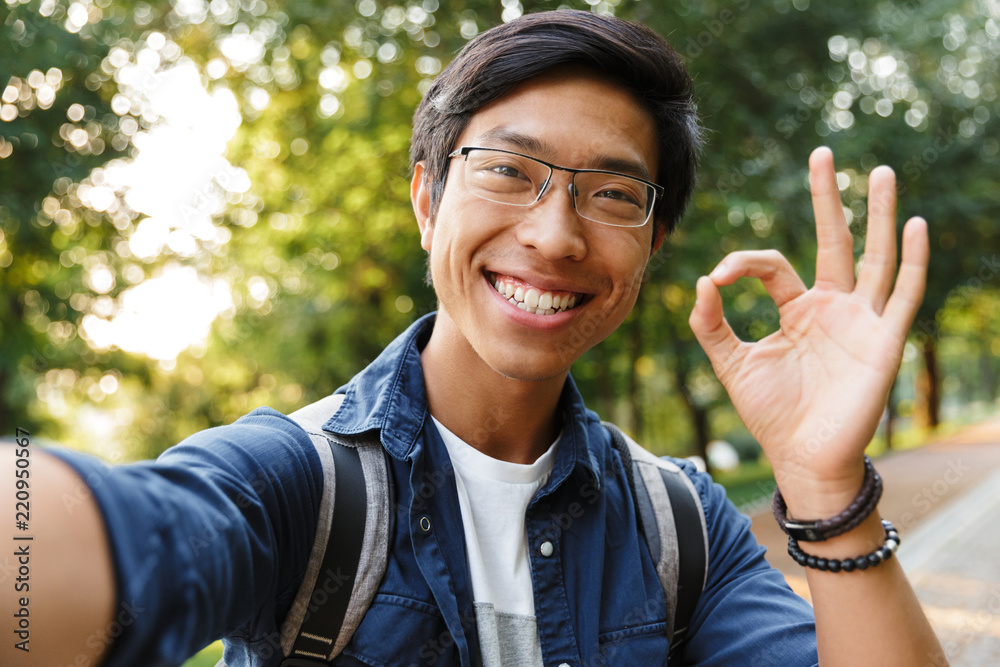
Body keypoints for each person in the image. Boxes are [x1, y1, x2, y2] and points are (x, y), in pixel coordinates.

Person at [1, 9, 944, 667]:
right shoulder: (296, 486)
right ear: (426, 198)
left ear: (653, 244)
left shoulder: (684, 529)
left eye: (613, 193)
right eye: (507, 170)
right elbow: (111, 543)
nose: (555, 234)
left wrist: (827, 486)